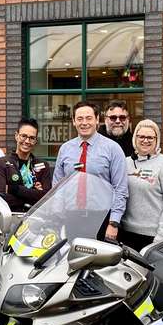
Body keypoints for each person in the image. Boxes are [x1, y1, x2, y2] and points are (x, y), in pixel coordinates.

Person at [53, 101, 128, 241]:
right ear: (74, 121)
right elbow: (58, 185)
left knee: (99, 262)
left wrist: (113, 223)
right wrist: (57, 215)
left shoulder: (113, 149)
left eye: (89, 118)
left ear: (97, 120)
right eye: (79, 119)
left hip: (101, 219)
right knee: (70, 260)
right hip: (70, 218)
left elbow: (120, 188)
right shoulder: (65, 149)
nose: (84, 123)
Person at [120, 119, 163, 251]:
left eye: (150, 137)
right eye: (141, 136)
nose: (145, 140)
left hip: (154, 237)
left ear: (157, 140)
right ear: (135, 138)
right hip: (126, 233)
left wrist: (161, 236)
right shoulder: (125, 163)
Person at [0, 118, 52, 212]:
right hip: (11, 219)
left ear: (35, 141)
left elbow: (46, 199)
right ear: (16, 136)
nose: (27, 141)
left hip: (36, 220)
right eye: (24, 136)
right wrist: (35, 194)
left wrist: (14, 189)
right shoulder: (1, 163)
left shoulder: (43, 165)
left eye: (32, 138)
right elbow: (0, 197)